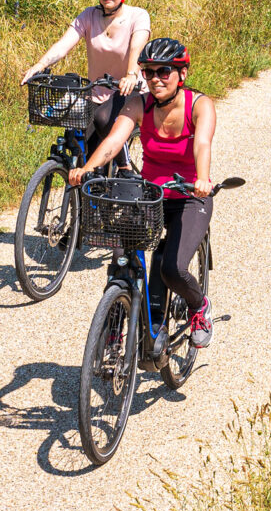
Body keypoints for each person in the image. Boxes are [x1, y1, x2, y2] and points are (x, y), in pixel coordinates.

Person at [72, 36, 218, 350]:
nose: (155, 79)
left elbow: (202, 144)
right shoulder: (140, 103)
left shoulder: (199, 105)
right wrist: (87, 168)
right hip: (151, 195)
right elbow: (113, 141)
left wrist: (203, 180)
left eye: (164, 71)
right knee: (121, 260)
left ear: (182, 74)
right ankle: (113, 326)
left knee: (173, 269)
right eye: (148, 72)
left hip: (189, 195)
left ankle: (198, 308)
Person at [22, 0, 150, 169]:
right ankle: (83, 194)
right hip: (96, 93)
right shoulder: (89, 16)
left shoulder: (138, 16)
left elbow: (138, 48)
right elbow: (63, 45)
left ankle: (125, 168)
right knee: (79, 140)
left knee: (102, 118)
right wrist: (39, 65)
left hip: (130, 90)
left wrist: (130, 74)